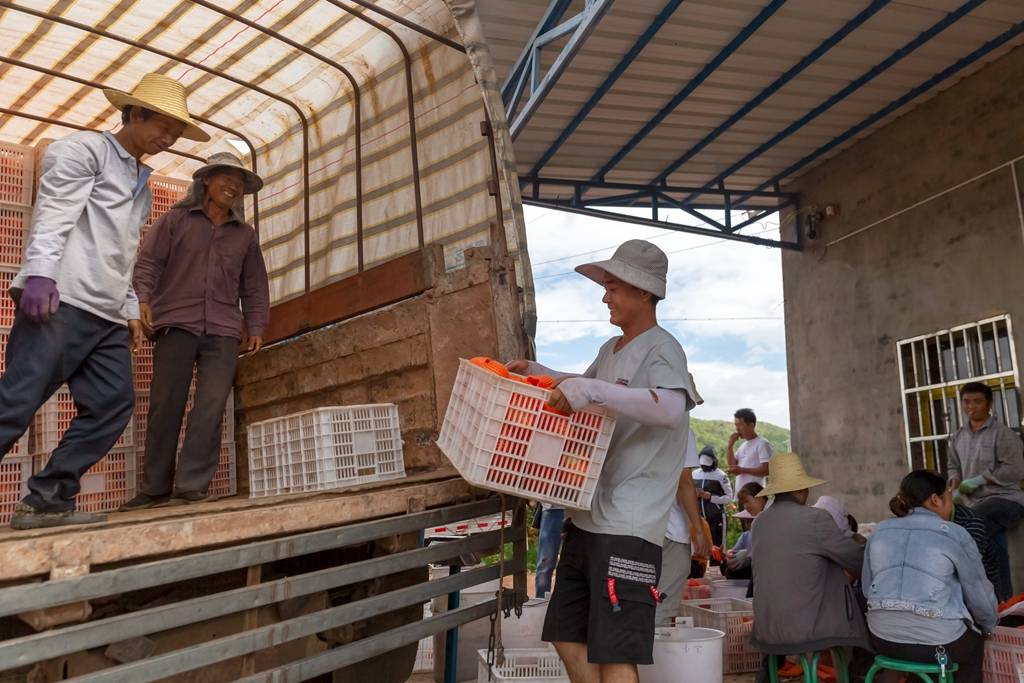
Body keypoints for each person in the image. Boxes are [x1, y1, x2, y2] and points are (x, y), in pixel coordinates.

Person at [0, 74, 207, 529]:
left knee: (112, 405)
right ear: (134, 114)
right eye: (163, 126)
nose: (169, 137)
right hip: (64, 299)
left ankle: (47, 500)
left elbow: (123, 249)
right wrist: (39, 272)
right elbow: (54, 213)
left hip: (107, 314)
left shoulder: (142, 181)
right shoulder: (84, 150)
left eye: (177, 131)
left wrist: (130, 308)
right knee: (16, 402)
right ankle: (47, 500)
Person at [507, 239, 695, 683]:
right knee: (566, 634)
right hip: (588, 515)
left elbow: (670, 409)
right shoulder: (612, 349)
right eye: (606, 286)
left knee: (614, 650)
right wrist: (544, 372)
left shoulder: (663, 349)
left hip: (628, 527)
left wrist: (589, 391)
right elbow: (589, 384)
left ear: (644, 292)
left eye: (613, 286)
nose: (604, 295)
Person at [120, 153, 269, 509]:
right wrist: (141, 300)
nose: (233, 186)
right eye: (226, 178)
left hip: (223, 329)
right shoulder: (175, 220)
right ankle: (155, 488)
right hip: (176, 322)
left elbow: (254, 285)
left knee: (211, 406)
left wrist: (257, 323)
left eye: (240, 182)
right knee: (165, 405)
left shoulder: (245, 236)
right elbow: (148, 264)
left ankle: (190, 487)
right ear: (206, 180)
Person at [865, 470, 998, 683]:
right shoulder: (953, 533)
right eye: (948, 497)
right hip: (938, 643)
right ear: (936, 499)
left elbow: (866, 588)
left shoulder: (879, 532)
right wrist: (989, 627)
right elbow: (979, 594)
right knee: (973, 646)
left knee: (928, 655)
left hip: (882, 638)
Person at [750, 453, 868, 676]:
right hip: (806, 630)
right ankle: (856, 675)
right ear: (800, 490)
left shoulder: (759, 522)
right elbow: (856, 560)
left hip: (766, 628)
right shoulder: (815, 519)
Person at [947, 381, 1024, 602]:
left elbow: (1016, 469)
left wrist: (982, 479)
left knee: (976, 522)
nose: (971, 406)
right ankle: (1002, 600)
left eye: (977, 401)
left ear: (989, 404)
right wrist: (955, 481)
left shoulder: (1003, 434)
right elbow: (953, 465)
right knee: (989, 539)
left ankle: (996, 598)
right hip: (974, 503)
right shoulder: (957, 437)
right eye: (966, 401)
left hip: (1007, 500)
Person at [657, 375, 711, 626]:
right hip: (670, 530)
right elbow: (685, 480)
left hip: (638, 526)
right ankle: (650, 664)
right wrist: (698, 530)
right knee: (661, 607)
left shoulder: (634, 424)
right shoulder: (679, 429)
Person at [693, 445, 732, 547]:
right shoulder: (694, 474)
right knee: (699, 548)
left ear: (714, 462)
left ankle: (719, 563)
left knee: (717, 547)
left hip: (716, 517)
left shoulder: (721, 476)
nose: (704, 467)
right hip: (698, 517)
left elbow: (729, 497)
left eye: (707, 465)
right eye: (702, 465)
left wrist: (711, 497)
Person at [726, 408, 773, 493]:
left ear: (751, 425)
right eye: (736, 425)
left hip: (756, 496)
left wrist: (742, 470)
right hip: (741, 496)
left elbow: (767, 470)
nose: (737, 429)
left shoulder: (762, 443)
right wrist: (730, 447)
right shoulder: (743, 446)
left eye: (740, 425)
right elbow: (732, 466)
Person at [534, 503, 565, 599]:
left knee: (573, 564)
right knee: (545, 563)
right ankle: (541, 602)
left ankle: (565, 604)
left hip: (582, 514)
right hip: (553, 508)